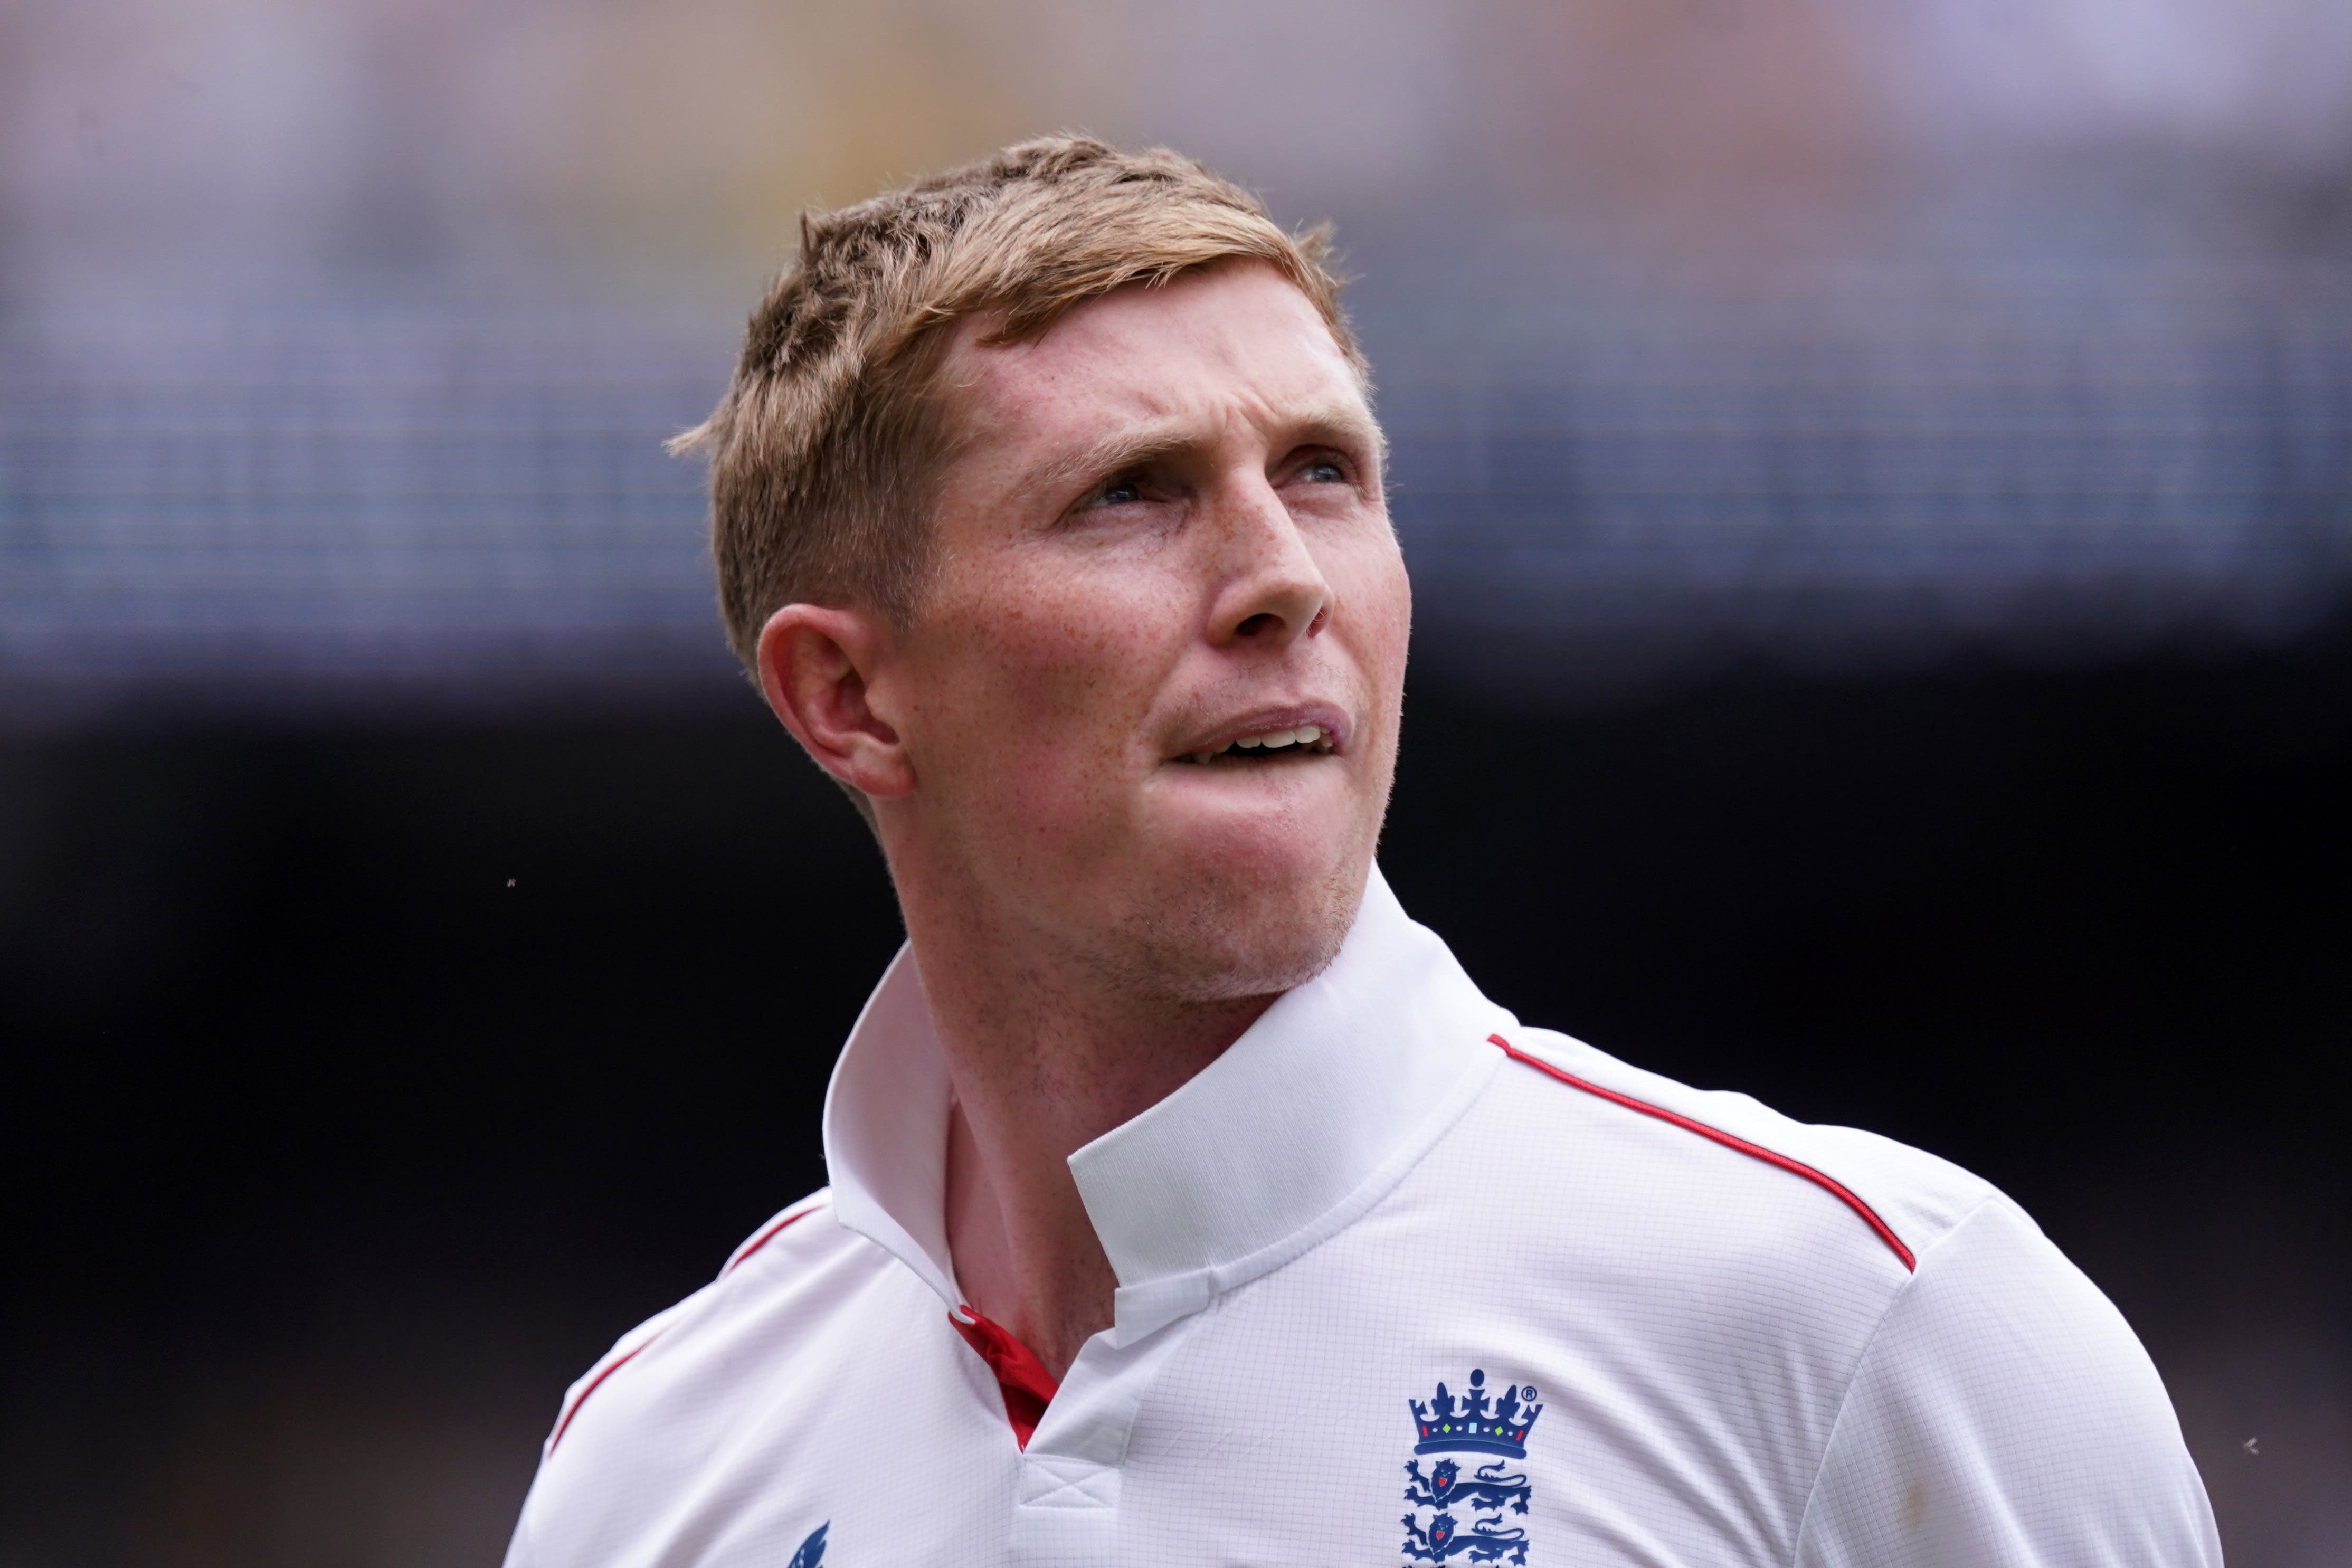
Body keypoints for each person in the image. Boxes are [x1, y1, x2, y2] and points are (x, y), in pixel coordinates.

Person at [502, 138, 2219, 1568]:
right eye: (1135, 494)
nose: (1284, 575)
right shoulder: (654, 1465)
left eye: (1324, 472)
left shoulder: (1862, 1321)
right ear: (851, 696)